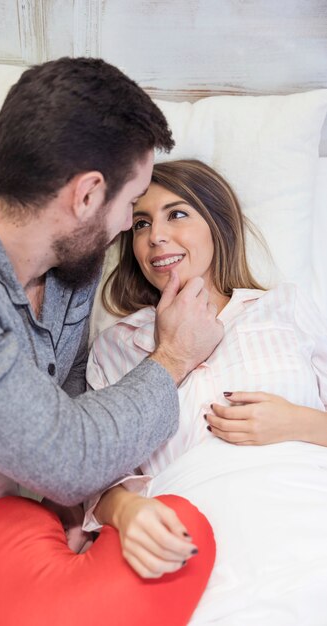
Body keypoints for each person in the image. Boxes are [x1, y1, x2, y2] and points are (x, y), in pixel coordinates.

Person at [0, 61, 223, 626]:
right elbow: (67, 455)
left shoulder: (69, 260)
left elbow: (71, 401)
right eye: (132, 205)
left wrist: (86, 508)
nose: (131, 226)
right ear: (86, 196)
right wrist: (173, 356)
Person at [83, 159, 327, 622]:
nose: (155, 235)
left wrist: (299, 421)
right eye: (141, 223)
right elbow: (94, 475)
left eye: (177, 214)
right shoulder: (116, 346)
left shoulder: (285, 307)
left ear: (217, 224)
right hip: (194, 545)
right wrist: (125, 510)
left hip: (309, 510)